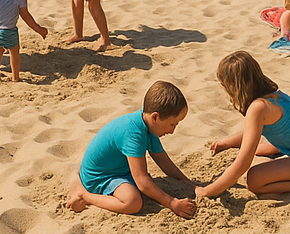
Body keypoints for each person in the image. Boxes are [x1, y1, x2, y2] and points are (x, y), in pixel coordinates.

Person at [196, 51, 290, 200]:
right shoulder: (274, 96)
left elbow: (243, 163)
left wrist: (208, 191)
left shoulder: (258, 108)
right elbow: (251, 132)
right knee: (258, 149)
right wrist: (226, 143)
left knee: (254, 180)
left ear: (234, 86)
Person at [66, 81, 196, 217]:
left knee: (145, 190)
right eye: (172, 124)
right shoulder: (133, 134)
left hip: (120, 170)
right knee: (132, 202)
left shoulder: (147, 124)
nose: (173, 131)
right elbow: (142, 182)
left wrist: (189, 184)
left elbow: (164, 162)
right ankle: (84, 195)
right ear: (155, 117)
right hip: (100, 177)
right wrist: (172, 203)